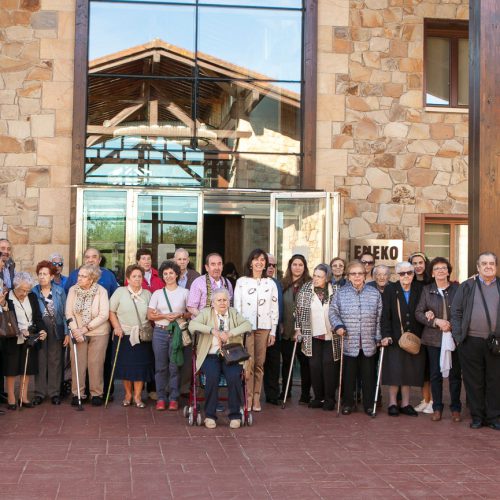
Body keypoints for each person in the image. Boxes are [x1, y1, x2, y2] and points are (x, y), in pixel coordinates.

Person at [188, 288, 252, 429]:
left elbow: (247, 325)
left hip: (231, 355)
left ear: (228, 301)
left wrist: (230, 333)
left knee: (234, 377)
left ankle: (235, 415)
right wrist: (211, 330)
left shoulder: (233, 313)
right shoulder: (206, 313)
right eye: (219, 300)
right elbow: (192, 325)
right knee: (212, 377)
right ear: (213, 303)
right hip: (210, 354)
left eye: (225, 300)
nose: (222, 303)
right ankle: (210, 416)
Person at [451, 251, 500, 431]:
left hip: (496, 344)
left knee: (495, 381)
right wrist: (458, 337)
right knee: (474, 381)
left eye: (491, 263)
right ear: (478, 267)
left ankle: (494, 417)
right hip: (470, 341)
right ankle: (478, 417)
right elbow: (455, 313)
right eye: (484, 263)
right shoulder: (467, 286)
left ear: (495, 266)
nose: (488, 266)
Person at [329, 261, 382, 416]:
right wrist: (338, 326)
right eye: (353, 274)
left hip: (368, 341)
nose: (357, 276)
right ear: (348, 276)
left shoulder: (374, 293)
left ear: (365, 275)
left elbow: (379, 317)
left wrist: (378, 336)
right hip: (349, 340)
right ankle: (348, 403)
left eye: (360, 273)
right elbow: (333, 312)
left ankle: (368, 405)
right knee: (349, 376)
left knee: (368, 376)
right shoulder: (340, 293)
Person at [415, 257, 461, 422]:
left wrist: (451, 325)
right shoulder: (427, 290)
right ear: (432, 273)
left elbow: (464, 310)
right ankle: (437, 408)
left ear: (448, 271)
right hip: (433, 339)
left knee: (455, 375)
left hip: (454, 338)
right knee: (435, 374)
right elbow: (419, 313)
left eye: (444, 268)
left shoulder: (457, 289)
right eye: (437, 269)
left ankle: (455, 408)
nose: (441, 271)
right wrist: (435, 321)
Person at [233, 249, 279, 411]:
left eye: (262, 260)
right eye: (256, 260)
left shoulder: (270, 283)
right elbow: (237, 306)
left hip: (264, 328)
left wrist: (273, 331)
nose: (259, 263)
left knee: (260, 364)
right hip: (246, 328)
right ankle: (247, 398)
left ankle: (257, 399)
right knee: (248, 363)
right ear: (250, 262)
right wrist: (238, 328)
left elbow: (274, 308)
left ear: (266, 263)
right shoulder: (242, 282)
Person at [380, 261, 425, 417]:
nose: (406, 276)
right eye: (402, 273)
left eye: (409, 273)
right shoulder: (390, 290)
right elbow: (385, 315)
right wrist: (385, 335)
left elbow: (425, 308)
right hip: (394, 337)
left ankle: (406, 403)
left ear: (413, 274)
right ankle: (393, 402)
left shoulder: (420, 289)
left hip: (413, 338)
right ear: (397, 275)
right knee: (395, 371)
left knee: (409, 371)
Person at [109, 265, 155, 408]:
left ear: (143, 278)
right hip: (124, 335)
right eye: (134, 276)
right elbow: (111, 312)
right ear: (128, 279)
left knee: (140, 368)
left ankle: (138, 396)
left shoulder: (148, 294)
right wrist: (116, 327)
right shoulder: (120, 292)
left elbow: (152, 314)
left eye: (139, 276)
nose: (137, 279)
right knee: (126, 368)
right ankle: (128, 395)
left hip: (142, 336)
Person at [65, 264, 111, 406]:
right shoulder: (73, 290)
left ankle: (96, 394)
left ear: (92, 279)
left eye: (83, 276)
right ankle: (77, 393)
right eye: (79, 275)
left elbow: (103, 315)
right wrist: (75, 330)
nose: (79, 278)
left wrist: (84, 329)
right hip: (77, 332)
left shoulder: (101, 291)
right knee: (77, 363)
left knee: (95, 364)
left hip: (98, 332)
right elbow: (68, 313)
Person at [0, 272, 47, 409]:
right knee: (11, 368)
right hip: (12, 336)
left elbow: (38, 317)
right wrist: (20, 331)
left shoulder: (32, 296)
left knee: (27, 368)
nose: (25, 293)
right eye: (22, 290)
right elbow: (7, 318)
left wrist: (42, 330)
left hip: (29, 336)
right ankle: (11, 398)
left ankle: (23, 396)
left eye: (28, 290)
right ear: (15, 286)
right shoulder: (7, 297)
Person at [295, 263, 338, 411]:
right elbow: (298, 311)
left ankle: (329, 398)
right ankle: (318, 397)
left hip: (331, 334)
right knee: (314, 366)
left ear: (327, 278)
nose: (316, 279)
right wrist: (298, 329)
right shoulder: (306, 289)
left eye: (319, 276)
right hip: (312, 333)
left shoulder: (336, 289)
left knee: (328, 366)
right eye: (314, 275)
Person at [148, 260, 189, 411]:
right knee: (160, 367)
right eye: (165, 274)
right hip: (159, 332)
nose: (168, 276)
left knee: (174, 366)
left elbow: (190, 313)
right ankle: (160, 397)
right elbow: (150, 315)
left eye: (171, 273)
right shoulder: (157, 293)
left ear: (177, 274)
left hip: (177, 332)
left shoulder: (185, 292)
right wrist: (165, 316)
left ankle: (173, 398)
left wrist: (179, 314)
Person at [31, 261, 67, 405]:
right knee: (40, 360)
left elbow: (65, 314)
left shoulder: (59, 291)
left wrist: (66, 333)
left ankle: (54, 393)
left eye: (45, 274)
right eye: (40, 274)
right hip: (40, 329)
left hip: (56, 328)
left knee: (55, 360)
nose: (42, 277)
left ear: (52, 276)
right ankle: (39, 393)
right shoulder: (33, 291)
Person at [280, 254, 312, 404]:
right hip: (286, 329)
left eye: (300, 265)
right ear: (290, 266)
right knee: (287, 363)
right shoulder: (283, 283)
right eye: (294, 264)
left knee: (305, 363)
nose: (297, 267)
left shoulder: (310, 284)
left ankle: (305, 394)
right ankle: (285, 391)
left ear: (304, 267)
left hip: (304, 331)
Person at [408, 251, 432, 412]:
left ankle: (433, 401)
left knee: (432, 367)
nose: (418, 266)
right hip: (417, 329)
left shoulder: (432, 282)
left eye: (420, 263)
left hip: (432, 328)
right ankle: (426, 399)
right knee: (422, 368)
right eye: (414, 263)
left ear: (425, 264)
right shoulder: (411, 283)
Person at [263, 253, 284, 405]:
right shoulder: (250, 282)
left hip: (274, 329)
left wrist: (280, 323)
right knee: (256, 363)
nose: (271, 267)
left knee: (273, 363)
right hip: (257, 329)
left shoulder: (277, 283)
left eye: (273, 265)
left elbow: (279, 306)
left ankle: (272, 395)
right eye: (268, 264)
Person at [187, 253, 234, 317]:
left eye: (219, 264)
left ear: (222, 266)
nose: (217, 268)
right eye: (213, 264)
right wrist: (205, 319)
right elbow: (191, 307)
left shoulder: (227, 283)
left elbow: (230, 305)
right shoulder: (198, 282)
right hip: (203, 324)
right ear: (207, 267)